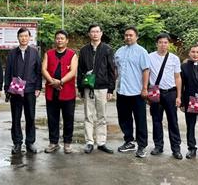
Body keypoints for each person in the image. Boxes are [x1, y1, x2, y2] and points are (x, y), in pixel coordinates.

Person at [77, 24, 116, 154]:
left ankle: (101, 142)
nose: (95, 34)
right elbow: (80, 70)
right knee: (88, 116)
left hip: (103, 87)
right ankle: (89, 142)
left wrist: (111, 89)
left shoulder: (107, 49)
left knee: (102, 116)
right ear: (89, 34)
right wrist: (81, 89)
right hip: (88, 87)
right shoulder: (84, 50)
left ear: (101, 33)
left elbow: (111, 70)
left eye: (97, 31)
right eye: (92, 32)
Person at [114, 27, 151, 158]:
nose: (128, 37)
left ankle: (142, 145)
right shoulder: (119, 51)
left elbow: (146, 70)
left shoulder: (142, 52)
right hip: (122, 91)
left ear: (136, 37)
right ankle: (129, 141)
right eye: (126, 35)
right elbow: (116, 70)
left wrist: (145, 88)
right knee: (124, 118)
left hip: (137, 92)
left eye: (131, 35)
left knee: (140, 119)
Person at [4, 27, 42, 155]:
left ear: (29, 37)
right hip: (15, 89)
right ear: (18, 38)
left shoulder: (34, 52)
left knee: (30, 117)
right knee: (16, 117)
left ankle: (30, 142)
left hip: (30, 90)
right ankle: (17, 143)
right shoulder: (12, 53)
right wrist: (7, 89)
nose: (24, 38)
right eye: (21, 36)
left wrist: (38, 87)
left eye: (26, 36)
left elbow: (38, 71)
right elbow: (8, 72)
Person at [41, 30, 78, 154]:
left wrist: (60, 82)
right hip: (51, 92)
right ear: (55, 40)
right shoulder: (49, 53)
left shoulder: (72, 54)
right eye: (57, 38)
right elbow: (43, 69)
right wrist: (52, 81)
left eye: (62, 38)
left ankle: (67, 143)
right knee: (52, 118)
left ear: (67, 40)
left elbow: (73, 72)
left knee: (68, 118)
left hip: (67, 92)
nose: (60, 40)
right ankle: (53, 143)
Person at [148, 33, 183, 160]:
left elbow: (178, 77)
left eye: (166, 42)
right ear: (157, 43)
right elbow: (146, 74)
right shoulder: (149, 57)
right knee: (156, 120)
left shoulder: (174, 58)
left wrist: (179, 96)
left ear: (169, 44)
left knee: (173, 121)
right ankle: (158, 146)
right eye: (161, 42)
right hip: (155, 91)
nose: (163, 45)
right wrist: (146, 92)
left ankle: (176, 148)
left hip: (170, 93)